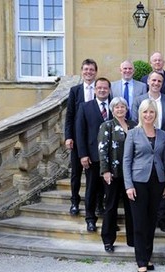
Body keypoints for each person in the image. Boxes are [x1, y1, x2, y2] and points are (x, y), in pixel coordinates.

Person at [123, 99, 165, 272]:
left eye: (151, 112)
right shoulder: (133, 133)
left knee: (151, 222)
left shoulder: (162, 134)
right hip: (138, 182)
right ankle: (141, 261)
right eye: (145, 112)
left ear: (155, 114)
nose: (148, 115)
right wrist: (128, 185)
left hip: (157, 182)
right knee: (140, 223)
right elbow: (126, 161)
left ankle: (147, 256)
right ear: (140, 114)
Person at [132, 71, 165, 232]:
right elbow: (135, 121)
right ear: (148, 81)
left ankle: (161, 217)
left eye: (159, 81)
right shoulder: (138, 100)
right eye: (153, 80)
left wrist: (163, 139)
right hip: (144, 148)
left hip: (163, 146)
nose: (156, 83)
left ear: (162, 83)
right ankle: (147, 219)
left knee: (162, 179)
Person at [98, 97, 136, 252]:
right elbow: (102, 149)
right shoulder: (107, 125)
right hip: (113, 173)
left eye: (122, 107)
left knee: (131, 208)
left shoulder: (134, 125)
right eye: (117, 107)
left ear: (126, 109)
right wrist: (105, 170)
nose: (120, 109)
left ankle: (133, 239)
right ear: (112, 110)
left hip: (131, 174)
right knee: (111, 206)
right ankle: (108, 240)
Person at [76, 77, 112, 232]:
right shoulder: (85, 107)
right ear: (95, 89)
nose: (102, 90)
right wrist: (83, 154)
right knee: (91, 189)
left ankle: (108, 221)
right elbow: (80, 132)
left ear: (109, 90)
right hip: (92, 156)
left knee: (108, 191)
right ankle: (90, 219)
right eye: (99, 88)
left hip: (111, 158)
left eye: (105, 88)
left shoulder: (115, 106)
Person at [64, 58, 97, 216]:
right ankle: (75, 201)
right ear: (82, 72)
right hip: (78, 139)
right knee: (76, 173)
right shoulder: (75, 91)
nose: (88, 72)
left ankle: (97, 203)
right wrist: (68, 136)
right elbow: (69, 116)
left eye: (91, 70)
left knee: (95, 174)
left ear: (95, 72)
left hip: (96, 140)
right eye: (86, 69)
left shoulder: (101, 89)